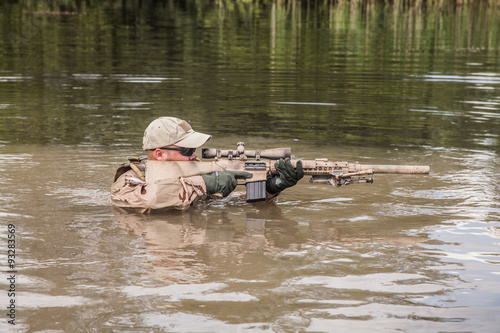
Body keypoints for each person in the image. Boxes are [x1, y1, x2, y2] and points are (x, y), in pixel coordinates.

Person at [111, 117, 303, 213]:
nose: (194, 155)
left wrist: (270, 188)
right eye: (186, 150)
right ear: (160, 154)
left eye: (194, 148)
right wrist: (204, 183)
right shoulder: (130, 178)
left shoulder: (194, 173)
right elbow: (146, 201)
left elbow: (232, 203)